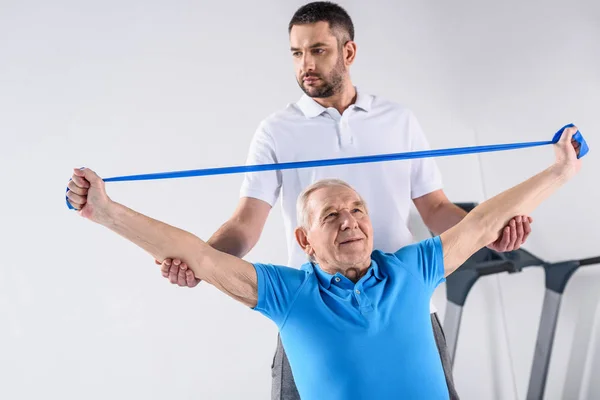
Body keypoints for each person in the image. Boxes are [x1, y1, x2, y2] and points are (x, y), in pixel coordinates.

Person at [156, 2, 533, 399]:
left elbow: (436, 209)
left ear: (348, 52)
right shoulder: (275, 131)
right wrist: (201, 261)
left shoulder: (398, 120)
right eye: (297, 53)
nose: (306, 64)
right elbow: (245, 225)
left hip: (406, 308)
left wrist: (487, 235)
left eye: (318, 50)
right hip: (315, 312)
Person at [65, 126, 582, 399]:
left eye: (357, 209)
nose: (350, 220)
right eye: (331, 215)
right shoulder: (288, 293)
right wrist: (106, 212)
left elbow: (480, 222)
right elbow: (199, 253)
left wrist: (560, 172)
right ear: (304, 239)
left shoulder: (410, 268)